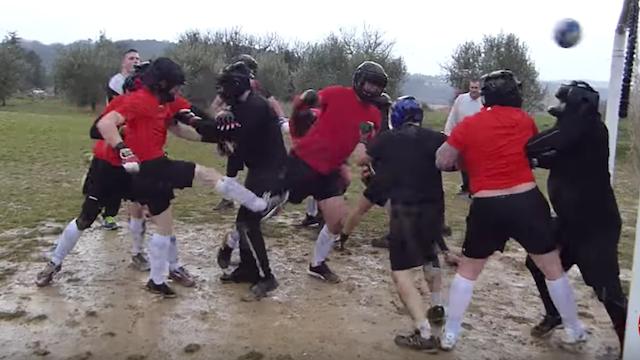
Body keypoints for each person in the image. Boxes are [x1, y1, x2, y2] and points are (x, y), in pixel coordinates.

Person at [37, 58, 285, 298]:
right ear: (162, 84)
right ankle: (54, 263)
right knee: (88, 217)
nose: (178, 91)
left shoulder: (167, 101)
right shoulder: (138, 101)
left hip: (149, 166)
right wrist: (123, 147)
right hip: (111, 166)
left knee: (165, 219)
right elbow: (102, 126)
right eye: (175, 85)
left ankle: (165, 274)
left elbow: (184, 124)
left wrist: (217, 132)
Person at [435, 70, 587, 350]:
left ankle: (450, 334)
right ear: (511, 94)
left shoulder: (470, 124)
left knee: (468, 270)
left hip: (487, 203)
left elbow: (442, 160)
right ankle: (574, 328)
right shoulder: (524, 120)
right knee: (551, 267)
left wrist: (466, 161)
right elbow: (530, 151)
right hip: (526, 201)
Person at [525, 81, 627, 353]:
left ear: (578, 106)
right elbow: (560, 157)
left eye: (565, 104)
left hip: (595, 225)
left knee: (607, 290)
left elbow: (548, 143)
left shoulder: (589, 128)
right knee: (538, 263)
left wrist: (524, 148)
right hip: (570, 222)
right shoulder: (577, 133)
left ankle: (629, 342)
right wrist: (535, 161)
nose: (560, 110)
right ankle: (554, 313)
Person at [183, 62, 288, 300]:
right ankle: (248, 269)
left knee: (249, 224)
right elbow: (219, 125)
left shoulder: (254, 107)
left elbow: (220, 132)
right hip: (260, 172)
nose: (221, 93)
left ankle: (267, 277)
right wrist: (189, 111)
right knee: (243, 222)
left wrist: (190, 118)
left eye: (225, 87)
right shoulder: (243, 104)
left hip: (274, 175)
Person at [354, 96, 447, 352]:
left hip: (405, 211)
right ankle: (437, 305)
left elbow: (361, 161)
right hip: (434, 210)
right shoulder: (436, 138)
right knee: (430, 256)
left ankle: (424, 332)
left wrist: (365, 141)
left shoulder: (388, 138)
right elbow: (451, 162)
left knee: (401, 273)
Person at [286, 61, 386, 282]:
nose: (372, 90)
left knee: (336, 221)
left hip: (331, 170)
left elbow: (362, 146)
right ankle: (234, 241)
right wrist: (303, 104)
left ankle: (317, 263)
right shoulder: (335, 93)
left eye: (377, 87)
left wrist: (367, 163)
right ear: (359, 80)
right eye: (369, 84)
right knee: (267, 207)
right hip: (303, 160)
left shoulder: (374, 116)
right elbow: (308, 108)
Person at [210, 54, 289, 211]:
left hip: (251, 125)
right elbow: (273, 103)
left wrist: (221, 115)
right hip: (243, 125)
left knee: (245, 161)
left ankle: (266, 196)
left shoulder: (249, 89)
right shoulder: (244, 86)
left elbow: (215, 105)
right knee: (242, 160)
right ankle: (262, 197)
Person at [100, 49, 141, 230]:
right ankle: (108, 215)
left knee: (136, 175)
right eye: (131, 58)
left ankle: (136, 216)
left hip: (136, 135)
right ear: (123, 62)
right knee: (116, 174)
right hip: (119, 134)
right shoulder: (117, 82)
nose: (135, 61)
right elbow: (116, 110)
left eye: (138, 59)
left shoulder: (141, 82)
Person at [443, 80, 482, 196]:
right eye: (472, 87)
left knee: (475, 163)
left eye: (476, 88)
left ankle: (474, 188)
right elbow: (453, 115)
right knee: (463, 162)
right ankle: (465, 187)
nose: (474, 90)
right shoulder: (461, 99)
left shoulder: (483, 101)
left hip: (478, 137)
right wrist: (449, 131)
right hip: (463, 135)